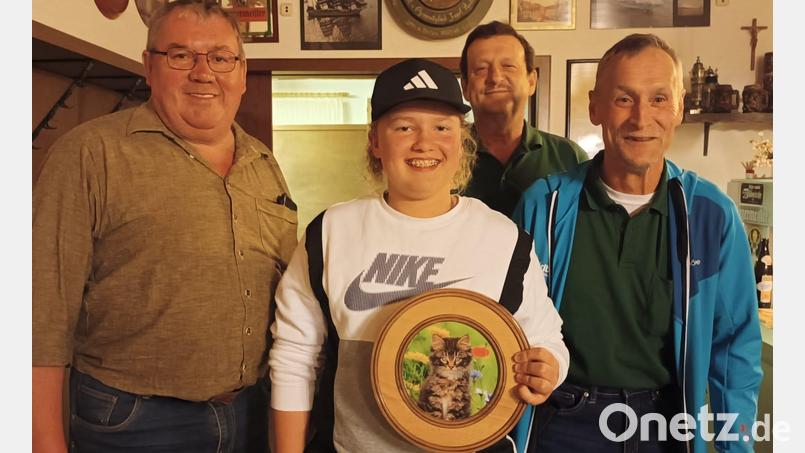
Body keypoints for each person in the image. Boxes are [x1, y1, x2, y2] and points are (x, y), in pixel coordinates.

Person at [32, 2, 298, 452]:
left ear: (241, 70)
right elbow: (40, 316)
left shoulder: (263, 162)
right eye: (180, 55)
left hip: (252, 413)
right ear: (149, 67)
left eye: (220, 57)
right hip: (135, 422)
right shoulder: (90, 153)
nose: (203, 72)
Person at [268, 58, 569, 453]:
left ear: (461, 141)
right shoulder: (330, 232)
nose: (424, 143)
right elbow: (295, 357)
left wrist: (549, 368)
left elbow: (547, 338)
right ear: (376, 140)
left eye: (442, 127)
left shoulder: (504, 239)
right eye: (404, 127)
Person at [513, 34, 762, 452]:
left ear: (679, 106)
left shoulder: (711, 214)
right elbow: (507, 325)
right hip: (562, 421)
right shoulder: (544, 205)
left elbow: (734, 350)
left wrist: (735, 447)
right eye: (624, 99)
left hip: (666, 426)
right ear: (595, 107)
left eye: (659, 99)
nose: (641, 118)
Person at [460, 21, 588, 217]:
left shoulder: (570, 158)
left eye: (508, 66)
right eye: (481, 69)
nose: (495, 78)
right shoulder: (443, 153)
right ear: (466, 87)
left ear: (531, 81)